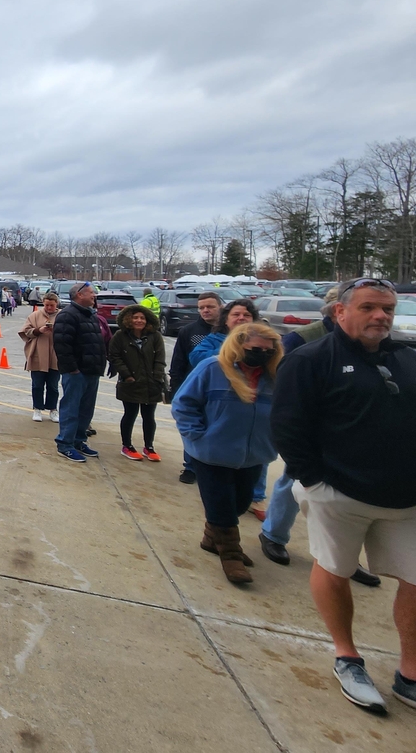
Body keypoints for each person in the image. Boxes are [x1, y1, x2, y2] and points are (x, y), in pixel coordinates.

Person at [272, 277, 416, 713]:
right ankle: (347, 655)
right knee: (334, 569)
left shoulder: (408, 357)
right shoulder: (311, 359)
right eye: (370, 307)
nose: (381, 317)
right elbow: (287, 426)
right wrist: (315, 482)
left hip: (406, 498)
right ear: (340, 312)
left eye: (387, 309)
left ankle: (410, 672)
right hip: (338, 494)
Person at [258, 288, 381, 585]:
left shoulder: (375, 347)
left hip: (355, 439)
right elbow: (282, 375)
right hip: (312, 433)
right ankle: (273, 534)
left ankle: (347, 559)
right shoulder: (305, 339)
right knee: (292, 481)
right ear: (337, 312)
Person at [172, 323, 281, 585]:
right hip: (212, 453)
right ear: (239, 345)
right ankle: (231, 553)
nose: (263, 354)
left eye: (269, 350)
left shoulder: (275, 376)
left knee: (240, 503)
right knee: (221, 505)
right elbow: (184, 403)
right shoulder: (212, 368)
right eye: (256, 349)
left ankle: (212, 539)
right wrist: (197, 435)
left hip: (254, 455)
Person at [169, 291, 223, 484]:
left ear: (221, 307)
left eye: (210, 306)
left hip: (222, 390)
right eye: (201, 308)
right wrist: (175, 388)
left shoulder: (230, 331)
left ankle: (213, 466)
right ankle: (190, 466)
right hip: (194, 388)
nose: (205, 311)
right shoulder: (189, 331)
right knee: (193, 427)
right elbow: (178, 362)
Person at [52, 282, 105, 463]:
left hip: (92, 371)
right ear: (79, 295)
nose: (94, 295)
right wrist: (72, 369)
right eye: (91, 293)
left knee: (86, 410)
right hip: (76, 373)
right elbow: (62, 345)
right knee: (71, 408)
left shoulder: (90, 315)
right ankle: (65, 444)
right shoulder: (68, 315)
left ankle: (79, 441)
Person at [107, 304, 167, 461]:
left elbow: (160, 358)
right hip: (130, 383)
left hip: (151, 383)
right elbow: (115, 357)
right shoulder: (120, 336)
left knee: (149, 416)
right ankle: (127, 445)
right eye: (135, 317)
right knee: (130, 414)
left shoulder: (155, 336)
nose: (139, 320)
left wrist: (157, 376)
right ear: (128, 319)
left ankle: (149, 447)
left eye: (142, 318)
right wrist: (127, 376)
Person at [19, 290, 59, 422]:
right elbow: (25, 332)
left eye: (51, 305)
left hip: (55, 356)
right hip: (38, 354)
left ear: (56, 304)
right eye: (46, 305)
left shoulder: (62, 316)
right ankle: (37, 408)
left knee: (53, 385)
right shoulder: (35, 315)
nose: (49, 308)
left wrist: (56, 330)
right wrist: (38, 330)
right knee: (37, 385)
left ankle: (53, 409)